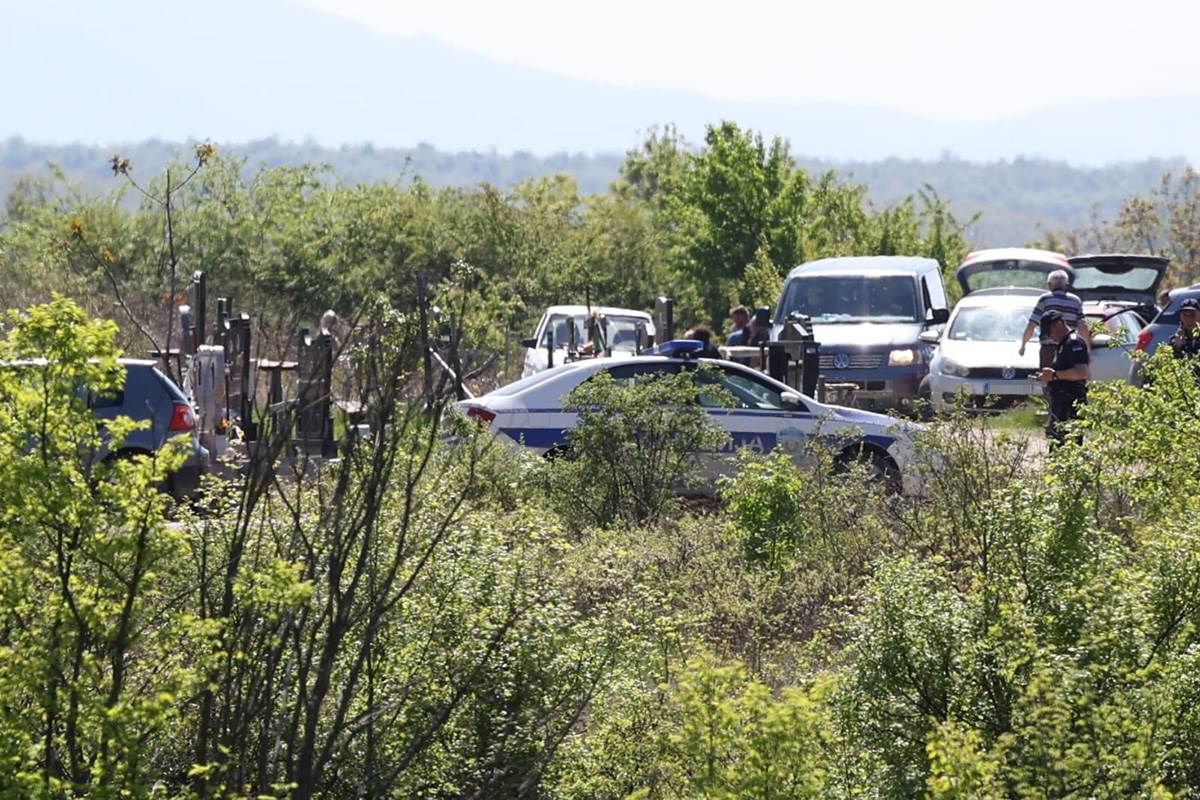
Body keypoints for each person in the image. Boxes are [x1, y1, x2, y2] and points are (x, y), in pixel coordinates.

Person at [1035, 309, 1090, 447]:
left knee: (1069, 446)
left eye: (1049, 332)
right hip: (1060, 404)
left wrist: (1054, 375)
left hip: (1071, 404)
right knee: (1057, 447)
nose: (1049, 336)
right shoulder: (1062, 344)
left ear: (1058, 324)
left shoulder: (1074, 342)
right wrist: (1048, 376)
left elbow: (1081, 372)